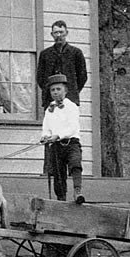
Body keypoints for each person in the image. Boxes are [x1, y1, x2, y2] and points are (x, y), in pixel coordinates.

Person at [40, 74, 84, 203]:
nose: (55, 92)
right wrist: (45, 136)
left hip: (71, 143)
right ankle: (61, 198)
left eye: (58, 89)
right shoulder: (50, 109)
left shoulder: (72, 107)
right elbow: (46, 127)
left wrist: (58, 135)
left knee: (75, 164)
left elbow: (72, 127)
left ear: (65, 90)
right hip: (55, 146)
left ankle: (77, 192)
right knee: (58, 174)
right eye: (52, 90)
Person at [36, 20, 88, 109]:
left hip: (70, 99)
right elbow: (40, 78)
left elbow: (82, 76)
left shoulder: (76, 53)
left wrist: (71, 91)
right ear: (52, 34)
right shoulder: (45, 54)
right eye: (56, 33)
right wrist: (51, 91)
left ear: (66, 33)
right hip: (50, 101)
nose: (59, 35)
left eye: (61, 32)